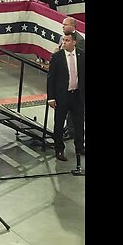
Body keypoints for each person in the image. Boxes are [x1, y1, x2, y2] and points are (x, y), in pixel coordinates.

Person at [46, 31, 84, 161]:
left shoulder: (82, 55)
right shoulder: (57, 57)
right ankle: (59, 149)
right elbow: (51, 79)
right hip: (62, 96)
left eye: (67, 40)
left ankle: (80, 147)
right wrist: (51, 97)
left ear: (74, 42)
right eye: (64, 40)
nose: (64, 43)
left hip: (77, 96)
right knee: (59, 123)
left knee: (79, 123)